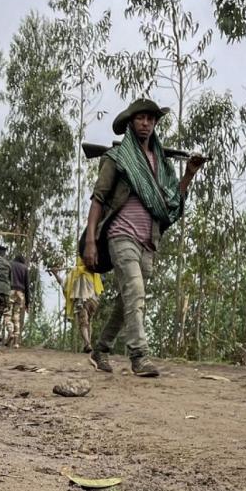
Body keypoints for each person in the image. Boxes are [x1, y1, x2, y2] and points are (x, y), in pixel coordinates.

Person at [83, 98, 206, 377]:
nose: (146, 123)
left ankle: (101, 348)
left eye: (150, 119)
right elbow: (98, 199)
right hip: (120, 234)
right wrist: (91, 239)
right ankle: (139, 356)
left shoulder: (162, 164)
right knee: (135, 292)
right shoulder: (117, 159)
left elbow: (172, 202)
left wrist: (189, 174)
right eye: (140, 118)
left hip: (148, 240)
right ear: (130, 122)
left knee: (128, 298)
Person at [50, 256, 104, 353]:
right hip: (93, 302)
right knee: (88, 322)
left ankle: (87, 343)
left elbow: (64, 284)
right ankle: (88, 344)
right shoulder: (93, 272)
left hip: (82, 301)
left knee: (83, 323)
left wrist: (55, 274)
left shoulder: (75, 272)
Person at [6, 255, 30, 349]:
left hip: (10, 290)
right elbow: (27, 286)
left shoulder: (10, 264)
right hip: (20, 293)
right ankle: (16, 342)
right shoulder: (25, 268)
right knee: (16, 315)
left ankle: (10, 332)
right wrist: (28, 303)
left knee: (7, 313)